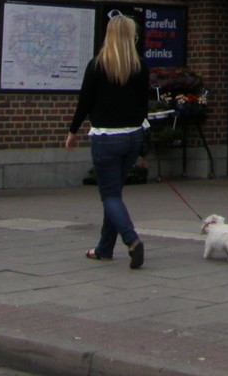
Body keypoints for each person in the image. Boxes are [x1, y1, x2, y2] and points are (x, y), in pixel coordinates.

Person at [65, 14, 149, 268]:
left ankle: (132, 241)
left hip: (106, 137)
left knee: (110, 195)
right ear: (130, 36)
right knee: (115, 194)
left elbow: (85, 101)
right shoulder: (140, 66)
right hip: (133, 136)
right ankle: (104, 248)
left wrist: (72, 131)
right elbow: (143, 105)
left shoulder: (97, 65)